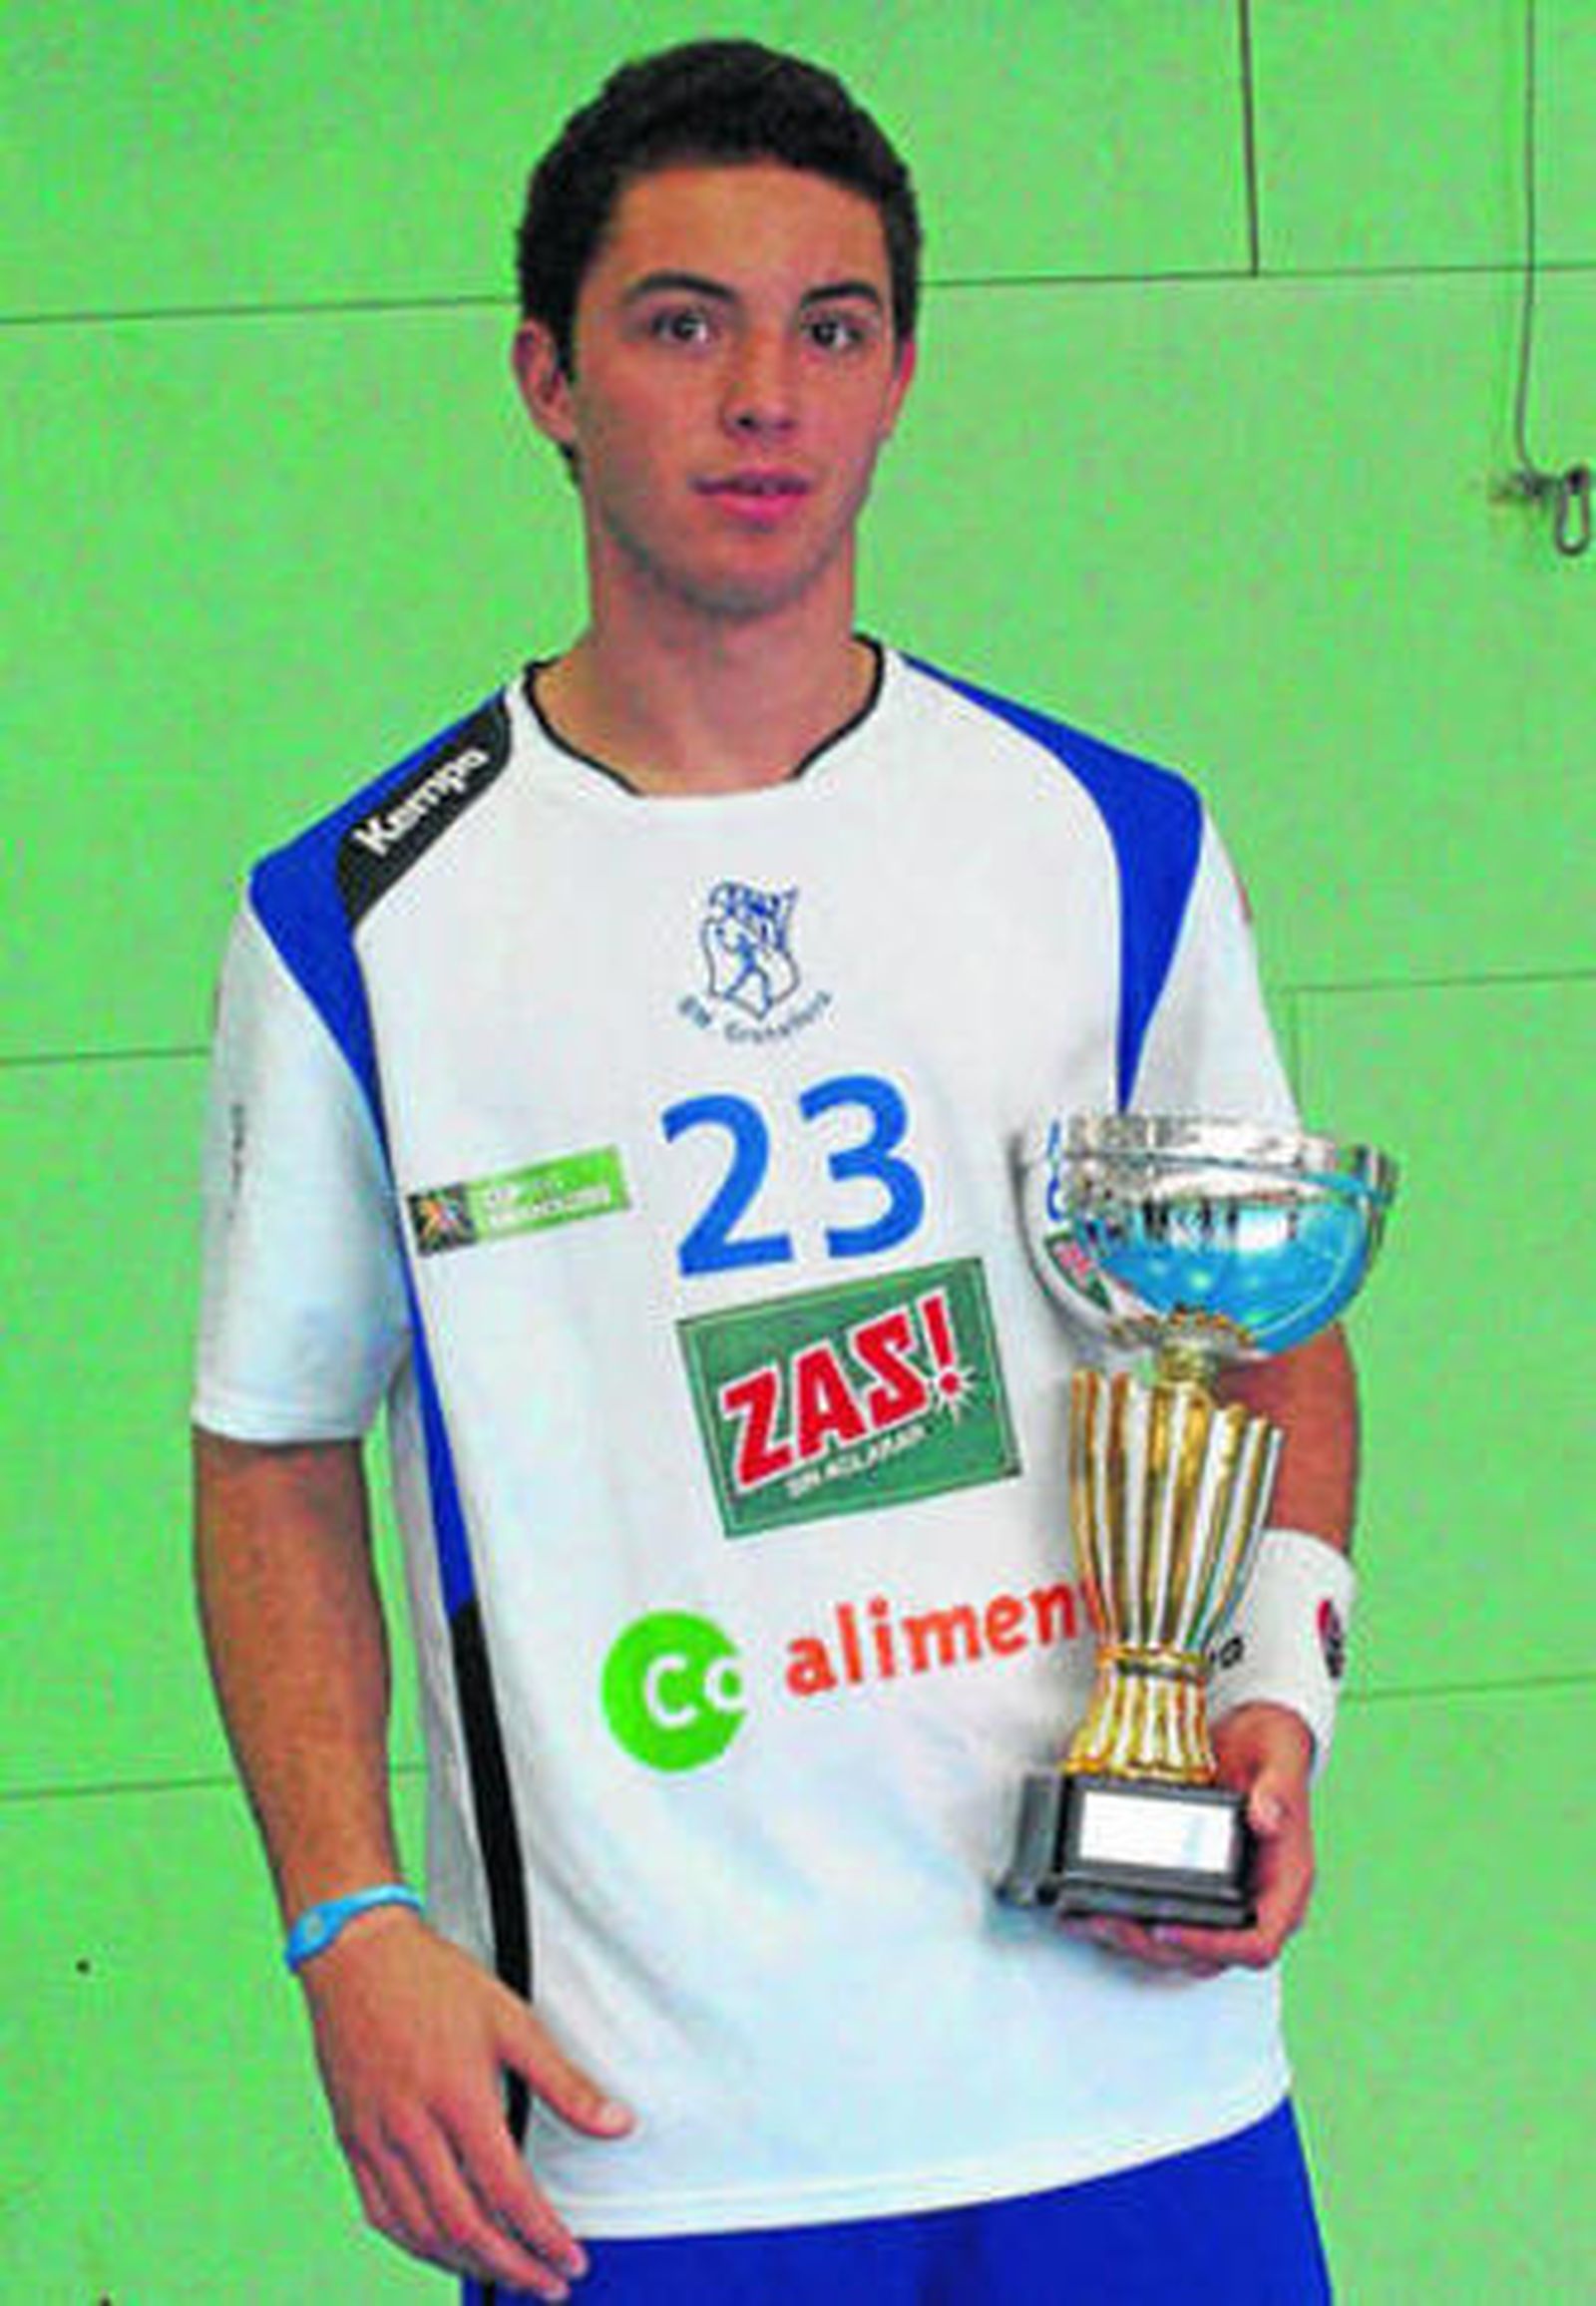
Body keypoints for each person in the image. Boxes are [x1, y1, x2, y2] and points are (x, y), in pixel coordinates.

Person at [193, 38, 1360, 2305]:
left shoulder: (1107, 841)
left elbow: (1274, 1331)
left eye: (829, 327)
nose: (762, 395)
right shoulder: (357, 917)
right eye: (679, 321)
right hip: (648, 2135)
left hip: (1134, 2064)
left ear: (900, 375)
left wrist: (1270, 1702)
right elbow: (268, 1456)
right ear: (544, 376)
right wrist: (347, 1922)